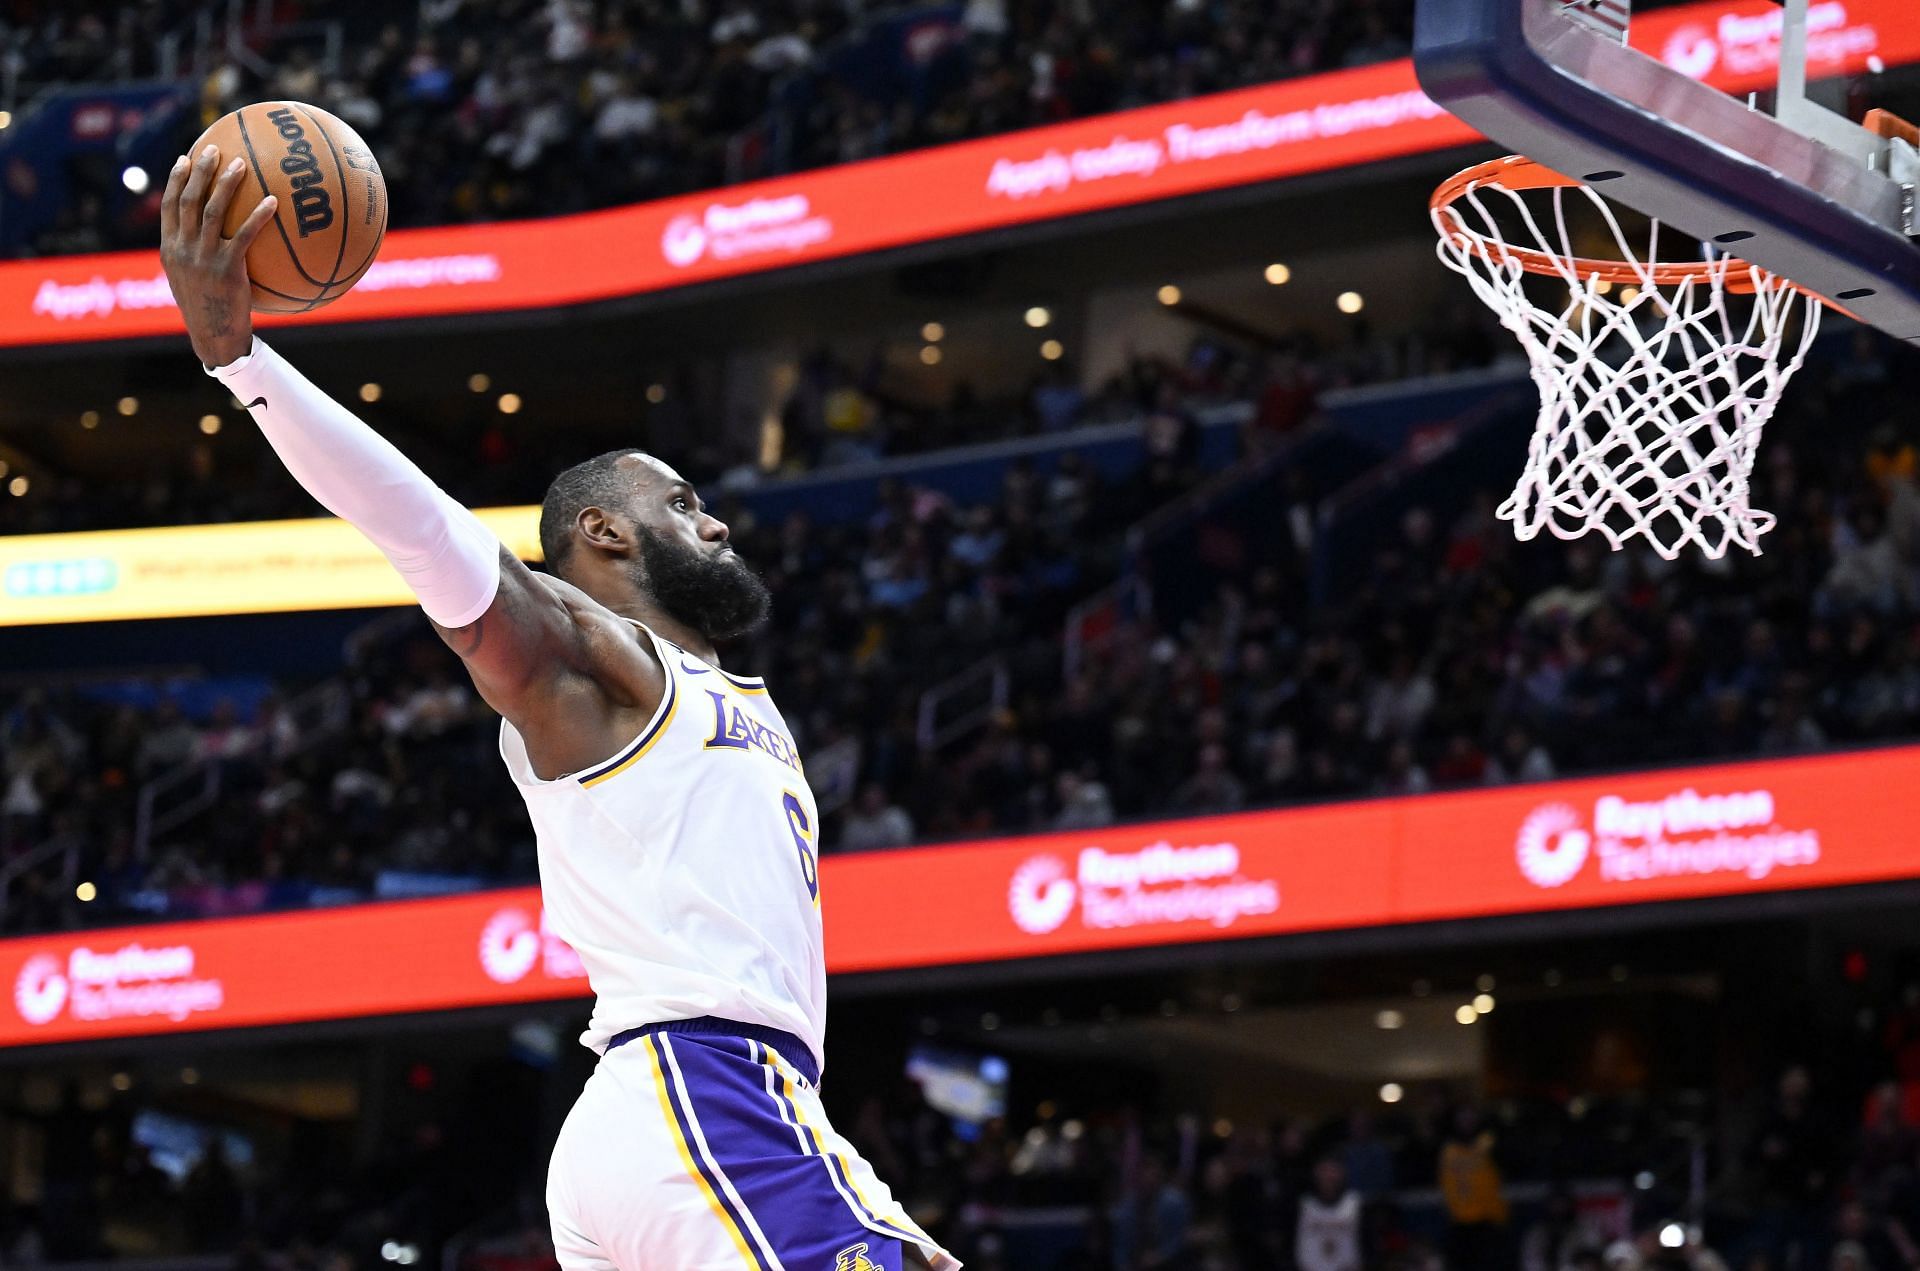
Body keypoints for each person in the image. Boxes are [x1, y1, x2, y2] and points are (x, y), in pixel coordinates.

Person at [159, 145, 956, 1271]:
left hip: (733, 1104)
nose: (717, 522)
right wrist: (244, 362)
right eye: (682, 503)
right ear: (605, 534)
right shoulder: (598, 663)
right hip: (700, 1086)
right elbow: (429, 533)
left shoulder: (714, 688)